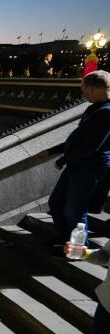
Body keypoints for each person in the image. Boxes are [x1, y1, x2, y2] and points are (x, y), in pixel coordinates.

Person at [46, 71, 110, 248]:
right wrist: (52, 151)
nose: (82, 93)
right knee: (56, 202)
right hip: (78, 165)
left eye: (83, 89)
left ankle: (78, 249)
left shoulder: (106, 112)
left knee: (74, 211)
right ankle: (64, 240)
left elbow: (91, 146)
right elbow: (77, 139)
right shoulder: (94, 108)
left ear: (92, 89)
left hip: (89, 168)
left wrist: (63, 160)